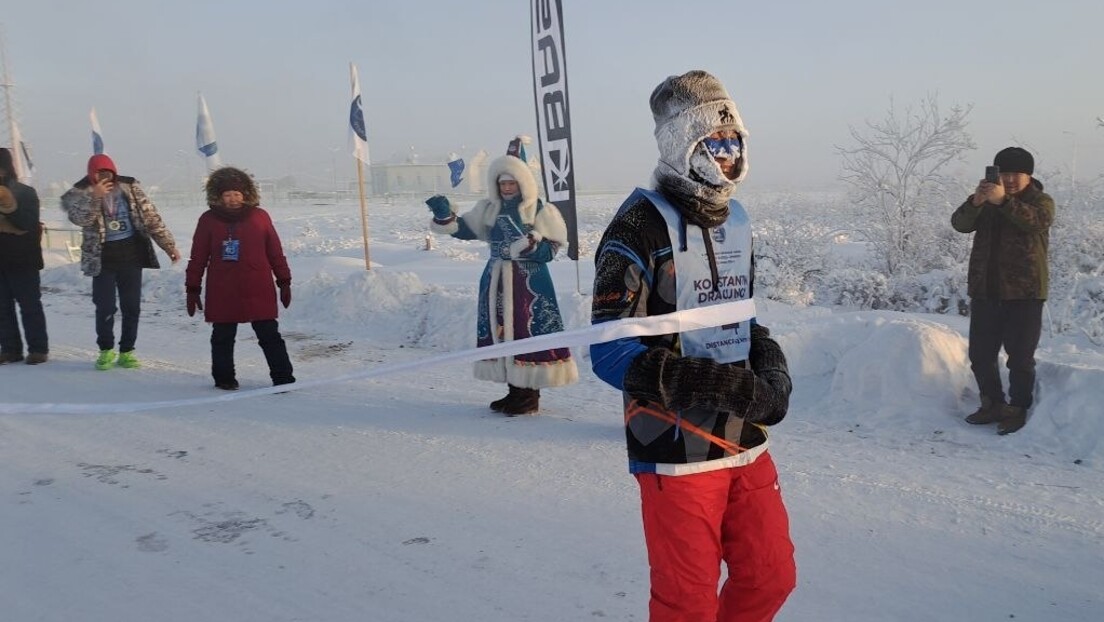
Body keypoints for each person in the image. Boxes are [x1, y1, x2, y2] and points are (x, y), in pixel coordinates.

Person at [590, 70, 796, 621]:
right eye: (715, 144)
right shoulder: (636, 228)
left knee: (770, 576)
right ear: (684, 147)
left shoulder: (738, 221)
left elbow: (740, 319)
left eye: (735, 143)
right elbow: (609, 351)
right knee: (688, 604)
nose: (729, 157)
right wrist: (708, 381)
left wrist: (770, 367)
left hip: (742, 432)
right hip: (674, 447)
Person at [424, 144, 577, 415]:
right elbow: (465, 230)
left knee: (527, 331)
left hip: (530, 284)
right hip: (495, 280)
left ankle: (529, 396)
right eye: (502, 183)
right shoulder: (488, 209)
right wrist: (444, 216)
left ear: (523, 182)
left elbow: (551, 250)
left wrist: (529, 245)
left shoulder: (539, 210)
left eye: (511, 182)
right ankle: (514, 391)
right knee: (503, 332)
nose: (506, 188)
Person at [951, 147, 1054, 435]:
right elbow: (959, 224)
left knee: (1020, 358)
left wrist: (1004, 201)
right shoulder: (987, 200)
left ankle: (1016, 408)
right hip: (986, 291)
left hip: (1025, 293)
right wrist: (977, 201)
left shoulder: (1041, 201)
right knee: (981, 355)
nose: (1008, 179)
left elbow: (1037, 222)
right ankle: (992, 403)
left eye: (1015, 174)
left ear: (1028, 175)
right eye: (1004, 173)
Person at [61, 153, 181, 369]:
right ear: (91, 174)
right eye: (99, 174)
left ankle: (127, 350)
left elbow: (151, 217)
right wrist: (95, 196)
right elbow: (80, 219)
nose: (105, 177)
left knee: (131, 306)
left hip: (131, 256)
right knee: (105, 307)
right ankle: (105, 350)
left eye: (108, 173)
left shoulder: (129, 187)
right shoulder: (81, 191)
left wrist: (169, 245)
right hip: (102, 259)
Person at [185, 166, 294, 390]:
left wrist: (284, 281)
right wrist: (192, 287)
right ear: (218, 196)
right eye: (227, 195)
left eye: (237, 194)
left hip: (257, 285)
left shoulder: (260, 217)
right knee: (223, 336)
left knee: (269, 334)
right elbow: (197, 256)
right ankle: (224, 378)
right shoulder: (208, 220)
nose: (233, 199)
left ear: (246, 194)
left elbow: (275, 251)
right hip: (223, 287)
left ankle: (283, 378)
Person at [0, 148, 48, 365]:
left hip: (23, 258)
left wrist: (9, 207)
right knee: (2, 307)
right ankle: (10, 349)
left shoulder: (25, 193)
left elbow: (27, 224)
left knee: (29, 305)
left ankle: (38, 349)